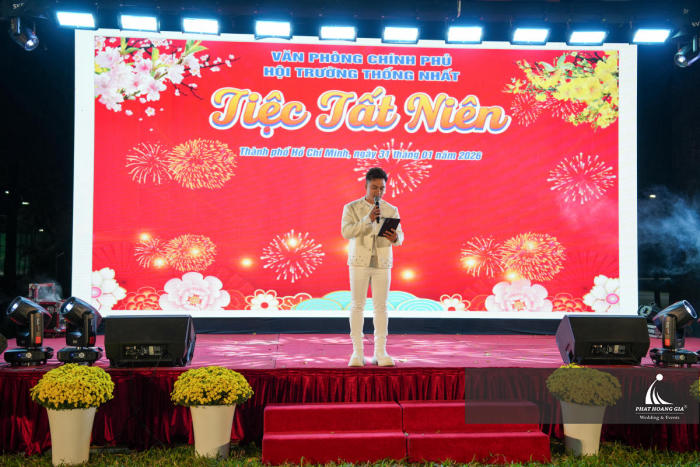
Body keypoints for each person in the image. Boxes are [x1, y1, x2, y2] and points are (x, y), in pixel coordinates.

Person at [341, 167, 404, 366]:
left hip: (382, 263)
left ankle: (380, 352)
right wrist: (367, 220)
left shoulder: (391, 209)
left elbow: (400, 236)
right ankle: (357, 353)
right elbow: (346, 232)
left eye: (382, 188)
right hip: (359, 262)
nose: (378, 192)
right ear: (366, 186)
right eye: (374, 187)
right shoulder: (351, 208)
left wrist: (395, 238)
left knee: (381, 307)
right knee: (357, 306)